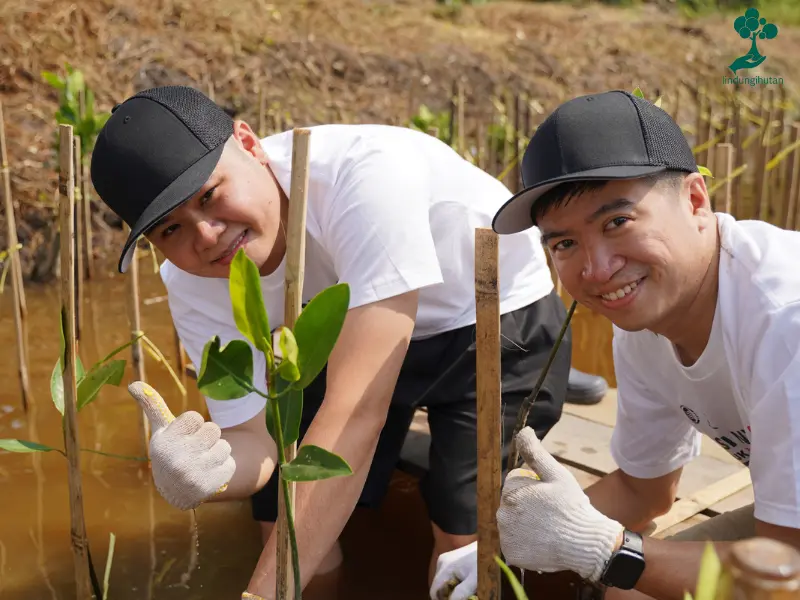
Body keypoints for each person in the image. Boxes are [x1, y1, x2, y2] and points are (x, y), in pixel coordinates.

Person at [88, 84, 592, 598]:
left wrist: (261, 596)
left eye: (210, 195)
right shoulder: (189, 280)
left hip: (491, 316)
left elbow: (355, 414)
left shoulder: (365, 177)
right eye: (170, 230)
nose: (207, 236)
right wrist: (205, 475)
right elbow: (256, 444)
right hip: (357, 322)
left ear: (250, 143)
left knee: (463, 530)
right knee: (282, 505)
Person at [430, 89, 800, 600]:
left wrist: (603, 547)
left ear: (695, 200)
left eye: (617, 223)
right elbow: (643, 491)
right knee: (631, 590)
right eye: (564, 243)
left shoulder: (786, 320)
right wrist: (498, 544)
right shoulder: (646, 325)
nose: (596, 270)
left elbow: (790, 573)